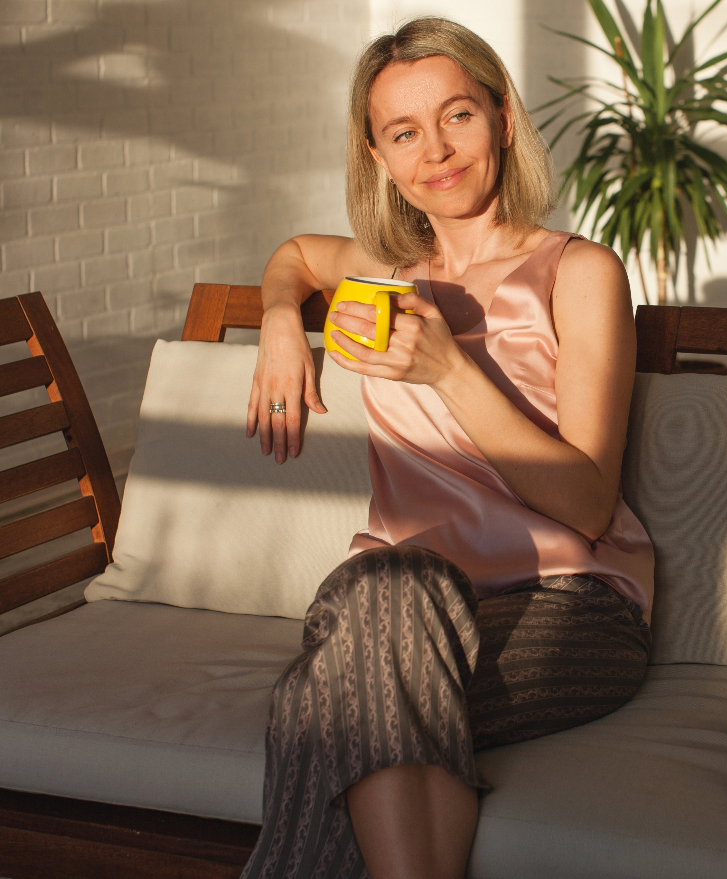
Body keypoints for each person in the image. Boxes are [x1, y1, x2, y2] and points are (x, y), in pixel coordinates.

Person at [239, 17, 655, 879]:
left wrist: (448, 370)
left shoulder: (580, 274)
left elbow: (585, 502)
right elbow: (293, 257)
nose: (436, 149)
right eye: (404, 132)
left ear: (503, 118)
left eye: (457, 115)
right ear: (378, 156)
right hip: (397, 603)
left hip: (569, 605)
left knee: (328, 699)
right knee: (387, 591)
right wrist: (282, 319)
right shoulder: (384, 271)